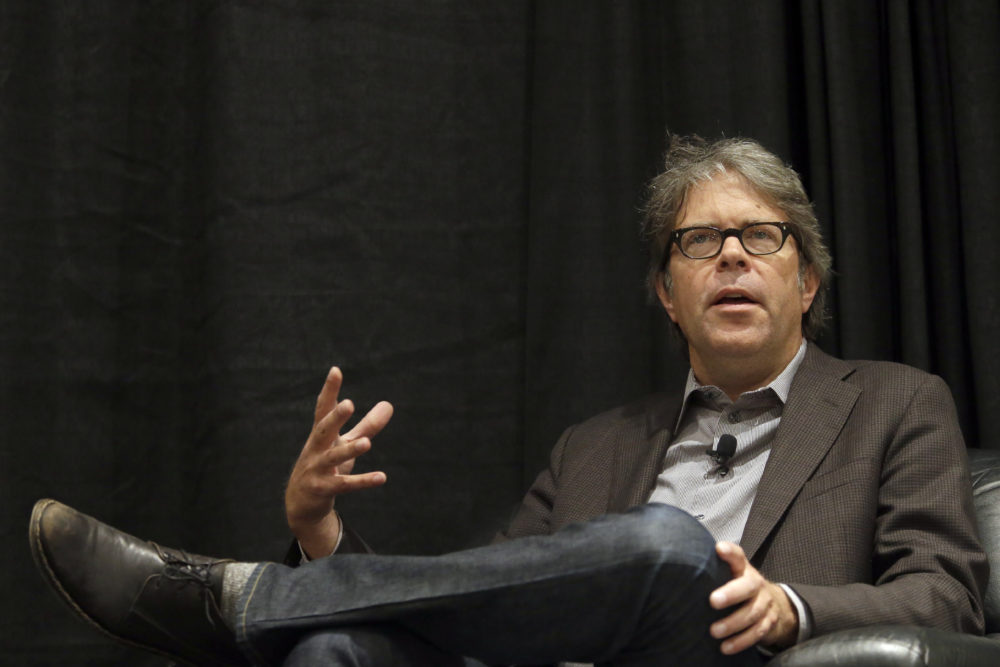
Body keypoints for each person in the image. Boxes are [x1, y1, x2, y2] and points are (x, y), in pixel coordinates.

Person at [29, 136, 987, 667]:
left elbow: (946, 593)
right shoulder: (596, 445)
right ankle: (283, 600)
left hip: (731, 661)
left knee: (663, 542)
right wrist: (319, 529)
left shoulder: (899, 405)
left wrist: (790, 606)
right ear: (666, 293)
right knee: (334, 648)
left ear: (808, 280)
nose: (731, 256)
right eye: (700, 243)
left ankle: (234, 601)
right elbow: (473, 603)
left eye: (761, 237)